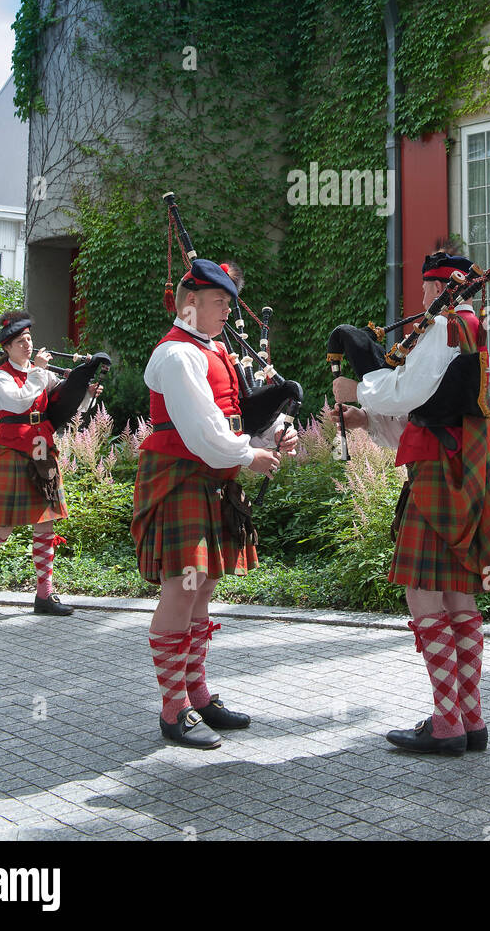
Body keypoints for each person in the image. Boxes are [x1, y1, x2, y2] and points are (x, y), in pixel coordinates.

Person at [331, 243, 490, 756]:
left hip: (439, 472)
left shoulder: (443, 329)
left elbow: (408, 392)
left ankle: (446, 722)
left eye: (426, 288)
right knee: (459, 592)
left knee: (422, 592)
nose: (422, 297)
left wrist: (358, 388)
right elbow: (430, 412)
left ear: (438, 288)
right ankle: (469, 719)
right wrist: (369, 418)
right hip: (465, 464)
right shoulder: (471, 331)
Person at [132, 258, 298, 750]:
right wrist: (251, 454)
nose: (227, 309)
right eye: (219, 301)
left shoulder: (213, 349)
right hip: (183, 476)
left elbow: (231, 416)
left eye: (228, 301)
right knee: (182, 589)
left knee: (203, 588)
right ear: (190, 303)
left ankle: (198, 694)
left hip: (212, 479)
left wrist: (270, 434)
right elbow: (204, 431)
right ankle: (172, 707)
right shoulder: (176, 356)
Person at [0, 310, 101, 618]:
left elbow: (63, 402)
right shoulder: (1, 377)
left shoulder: (40, 373)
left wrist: (86, 393)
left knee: (45, 524)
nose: (27, 345)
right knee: (3, 528)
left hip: (41, 451)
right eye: (20, 341)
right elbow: (19, 401)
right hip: (11, 451)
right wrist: (39, 372)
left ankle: (44, 595)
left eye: (29, 339)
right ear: (7, 347)